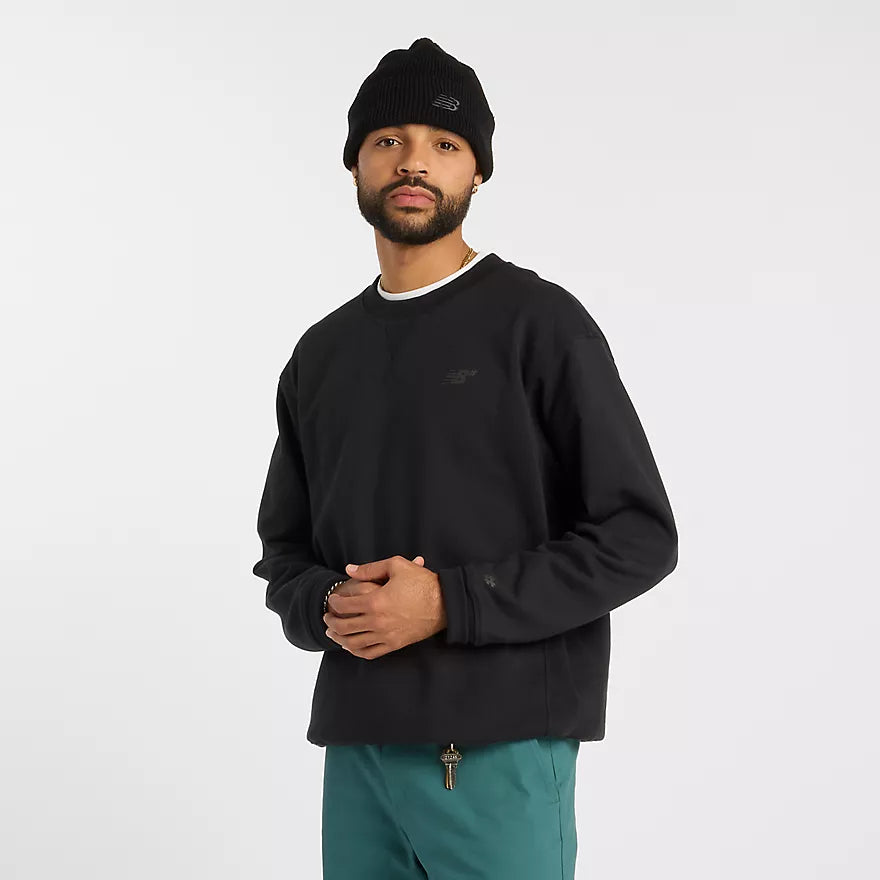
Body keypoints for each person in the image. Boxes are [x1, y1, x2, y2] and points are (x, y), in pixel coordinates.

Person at [251, 36, 678, 880]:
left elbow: (639, 536)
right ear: (354, 165)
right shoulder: (321, 354)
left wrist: (448, 602)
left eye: (444, 144)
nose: (414, 161)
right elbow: (285, 554)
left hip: (495, 744)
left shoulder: (539, 324)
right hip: (359, 748)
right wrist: (329, 602)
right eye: (389, 140)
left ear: (477, 171)